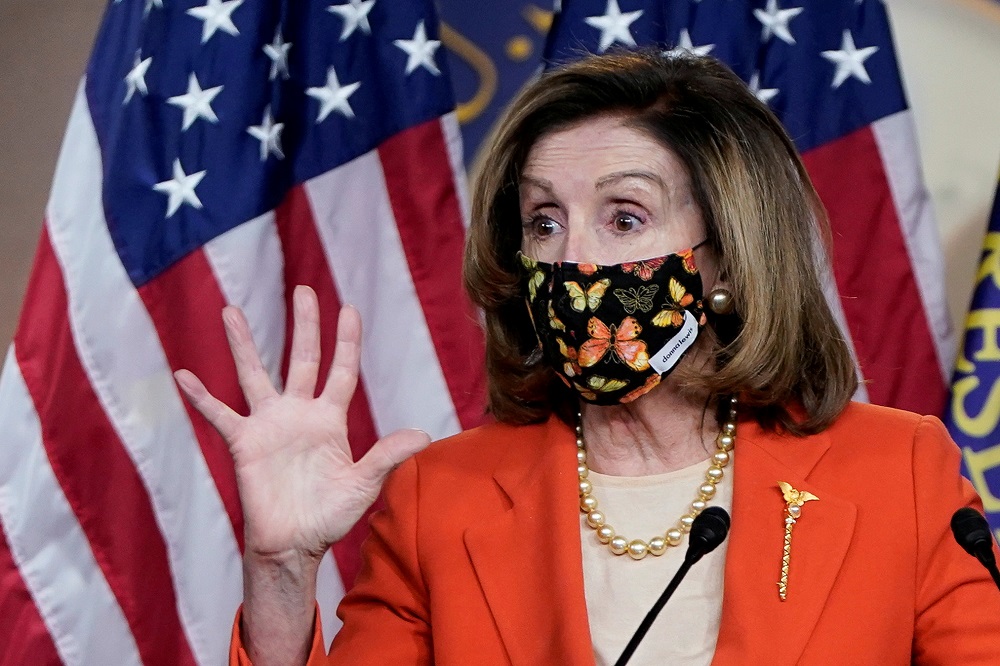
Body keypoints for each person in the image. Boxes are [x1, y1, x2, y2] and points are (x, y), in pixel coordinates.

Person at [175, 50, 1000, 665]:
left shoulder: (898, 472)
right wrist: (280, 569)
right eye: (544, 221)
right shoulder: (440, 501)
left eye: (624, 218)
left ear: (726, 257)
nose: (573, 260)